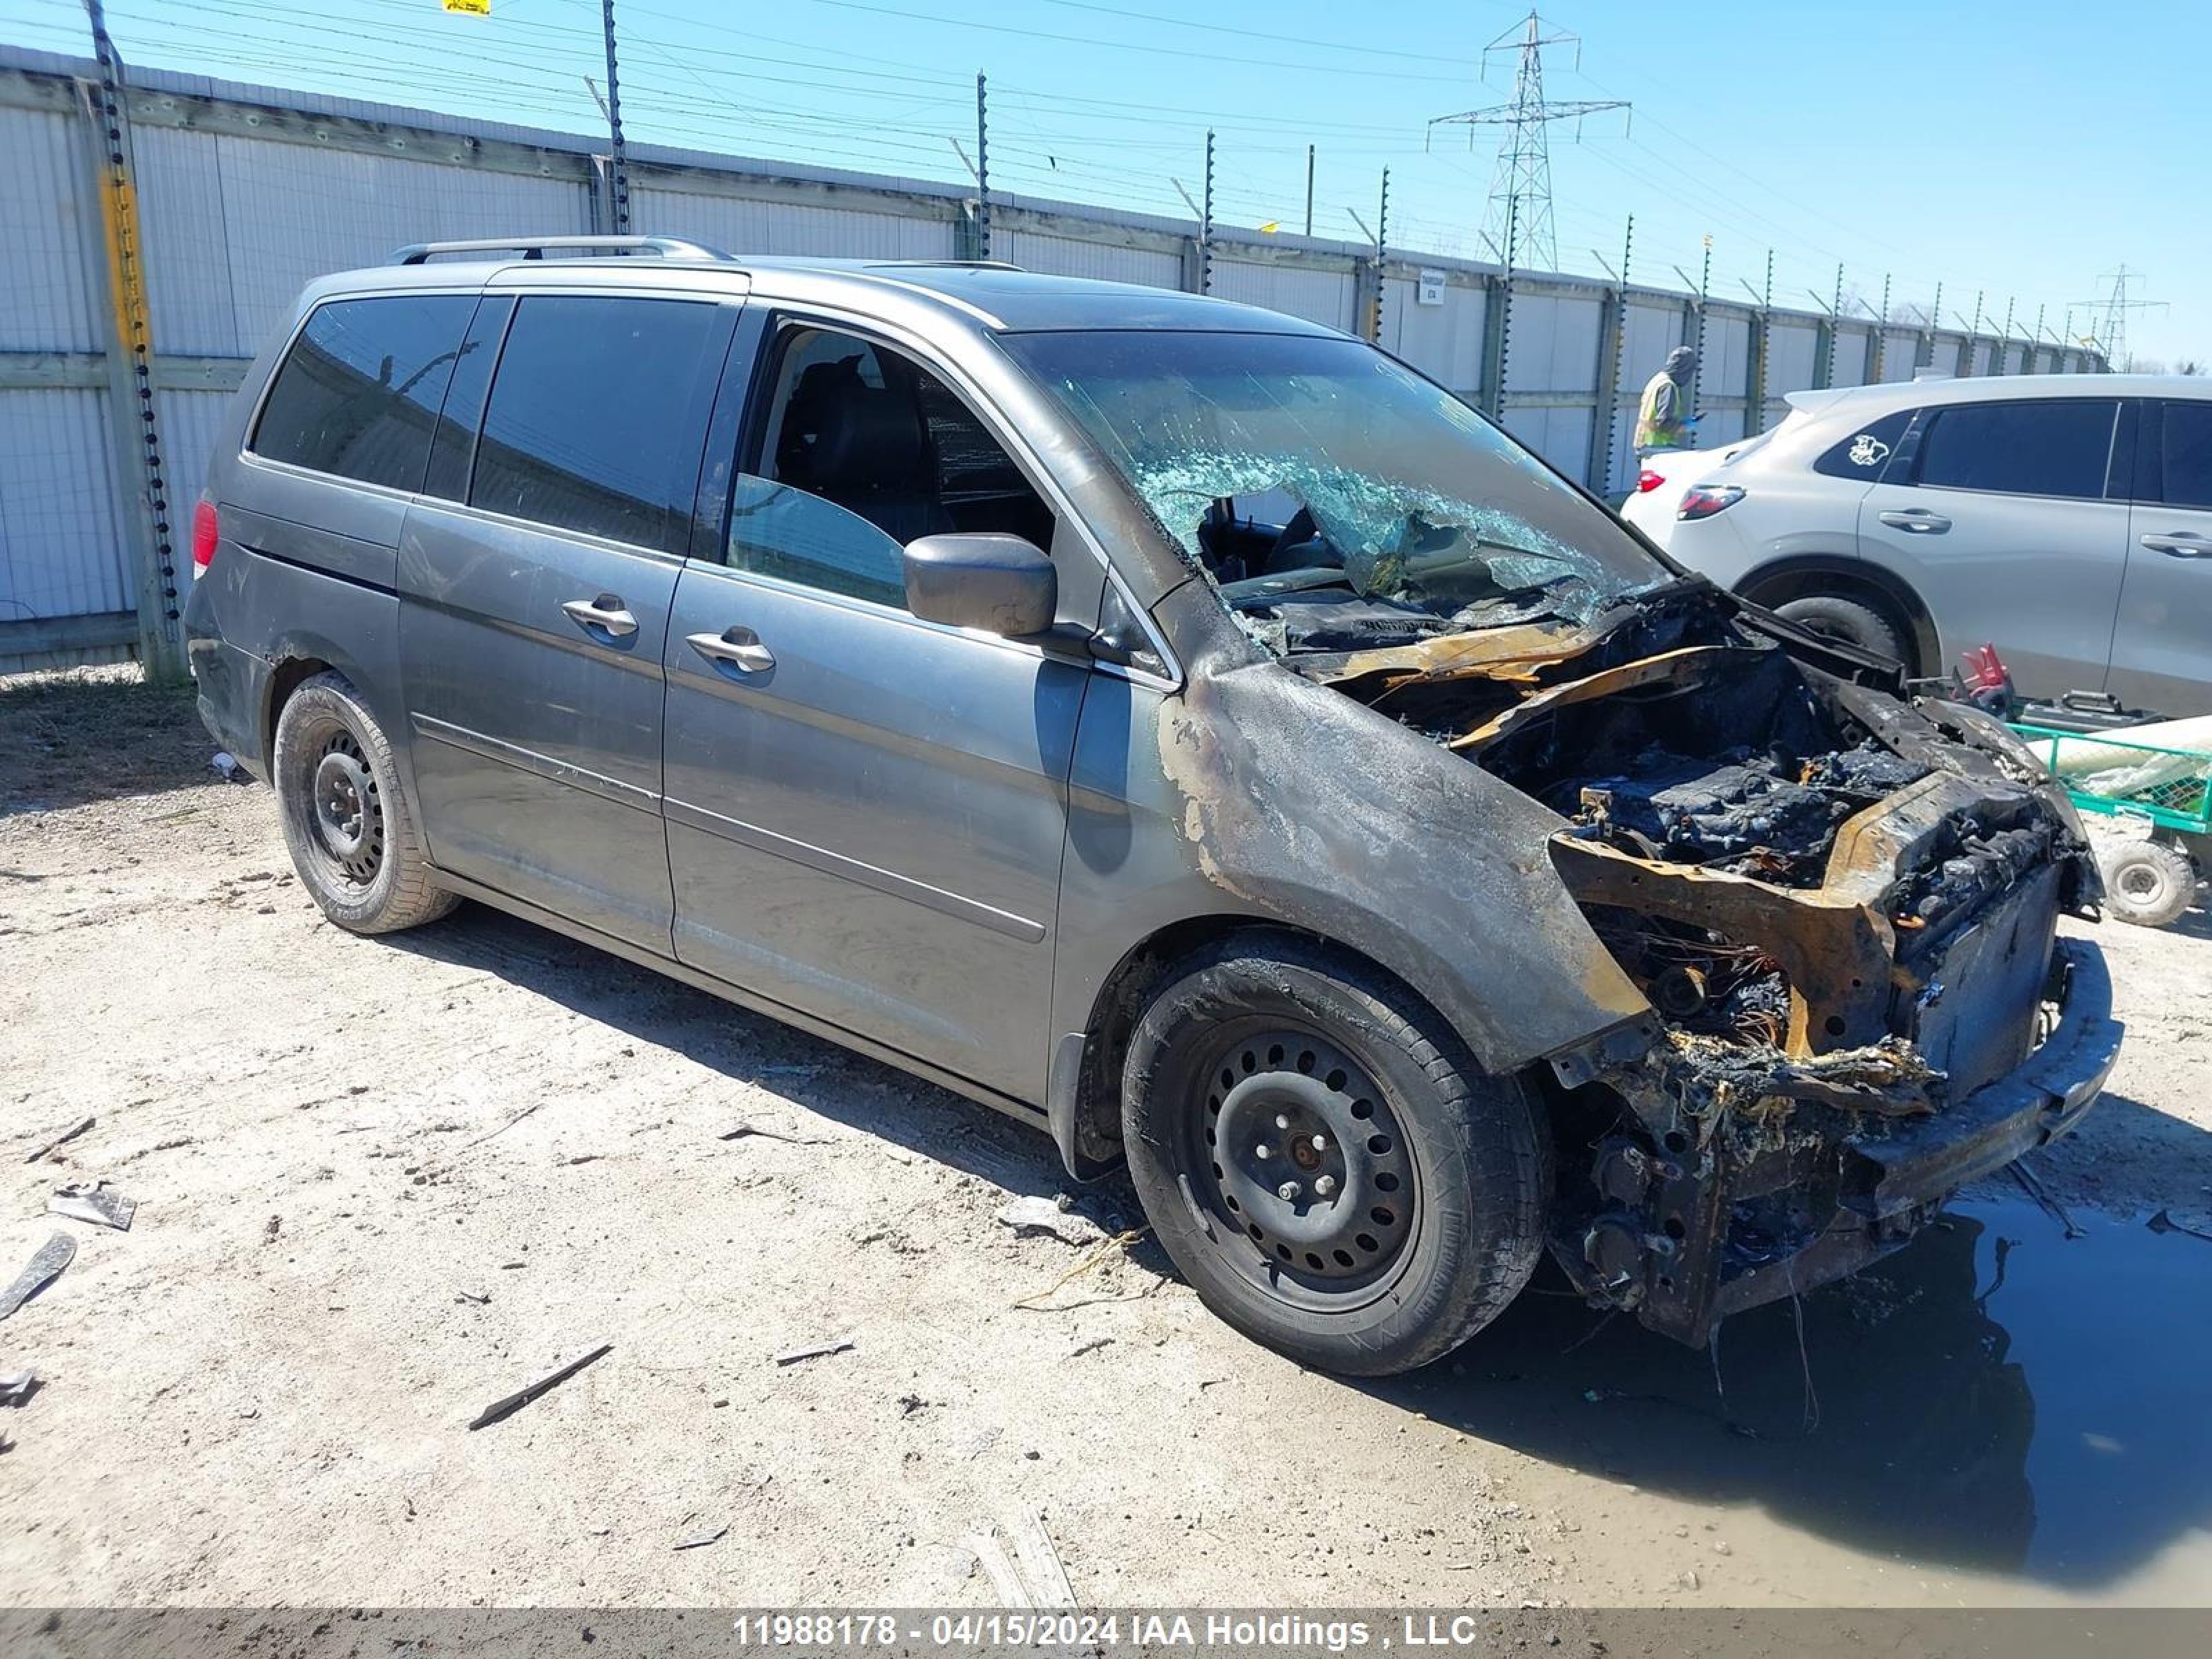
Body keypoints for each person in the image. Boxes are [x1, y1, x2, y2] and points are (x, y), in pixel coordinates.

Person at [1633, 346, 1701, 455]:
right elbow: (1664, 423)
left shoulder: (1658, 380)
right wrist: (1684, 427)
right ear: (1684, 369)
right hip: (1657, 446)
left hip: (1644, 443)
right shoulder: (1668, 387)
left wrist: (1681, 422)